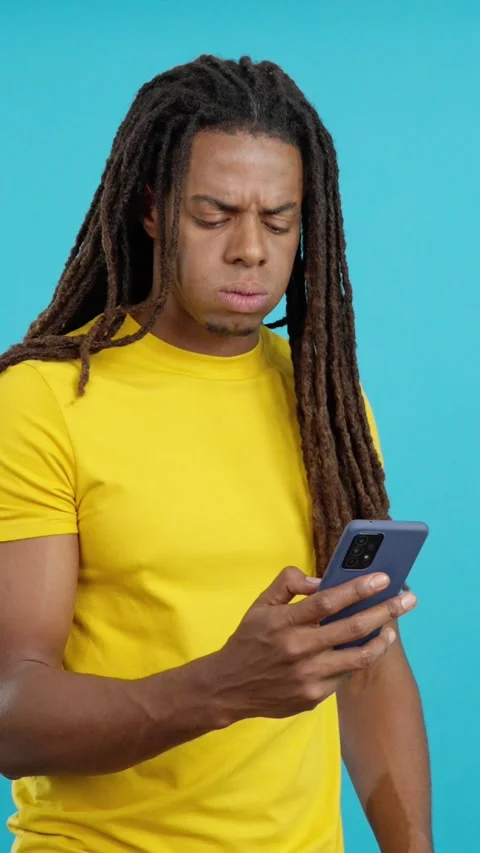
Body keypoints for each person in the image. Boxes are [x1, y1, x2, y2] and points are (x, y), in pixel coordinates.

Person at [0, 55, 432, 853]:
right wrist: (219, 690)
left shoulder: (327, 406)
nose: (249, 250)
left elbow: (368, 668)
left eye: (278, 220)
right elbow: (9, 709)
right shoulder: (43, 400)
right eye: (216, 214)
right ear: (154, 210)